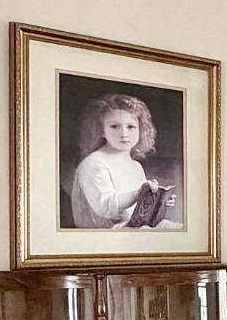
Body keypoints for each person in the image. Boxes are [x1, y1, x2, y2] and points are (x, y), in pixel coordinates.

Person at [69, 92, 175, 228]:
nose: (124, 134)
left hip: (134, 229)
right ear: (102, 130)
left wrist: (159, 202)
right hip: (108, 235)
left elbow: (139, 212)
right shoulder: (93, 163)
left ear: (141, 130)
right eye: (114, 126)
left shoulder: (136, 166)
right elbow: (104, 207)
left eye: (131, 127)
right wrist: (138, 194)